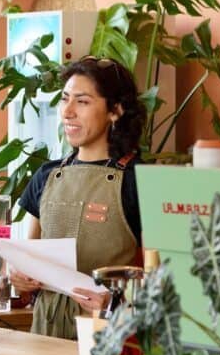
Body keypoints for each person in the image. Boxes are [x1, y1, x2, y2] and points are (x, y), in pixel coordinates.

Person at [12, 56, 145, 339]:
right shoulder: (46, 176)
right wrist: (19, 279)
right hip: (43, 336)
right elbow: (26, 260)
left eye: (82, 102)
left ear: (115, 111)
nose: (67, 112)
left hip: (107, 338)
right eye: (65, 99)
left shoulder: (138, 181)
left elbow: (162, 280)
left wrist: (115, 303)